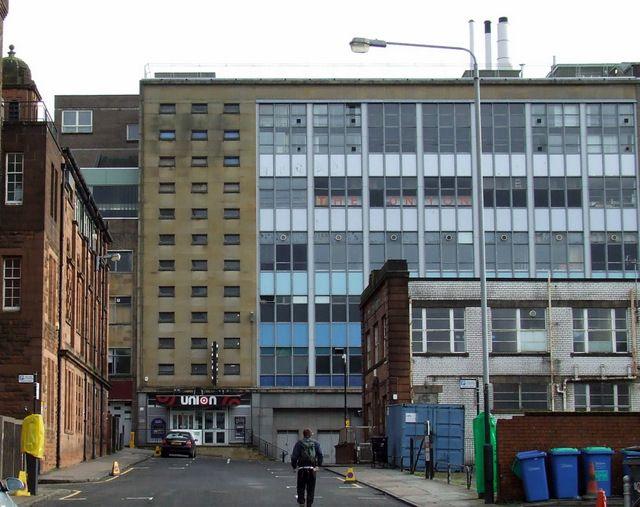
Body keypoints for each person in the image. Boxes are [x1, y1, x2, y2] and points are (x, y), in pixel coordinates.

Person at [290, 428, 323, 506]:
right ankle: (309, 504)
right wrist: (318, 465)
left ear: (303, 434)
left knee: (300, 487)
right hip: (312, 469)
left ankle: (301, 502)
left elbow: (294, 457)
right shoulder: (316, 443)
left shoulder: (299, 443)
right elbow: (320, 455)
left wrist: (294, 466)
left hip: (302, 469)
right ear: (310, 435)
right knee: (311, 489)